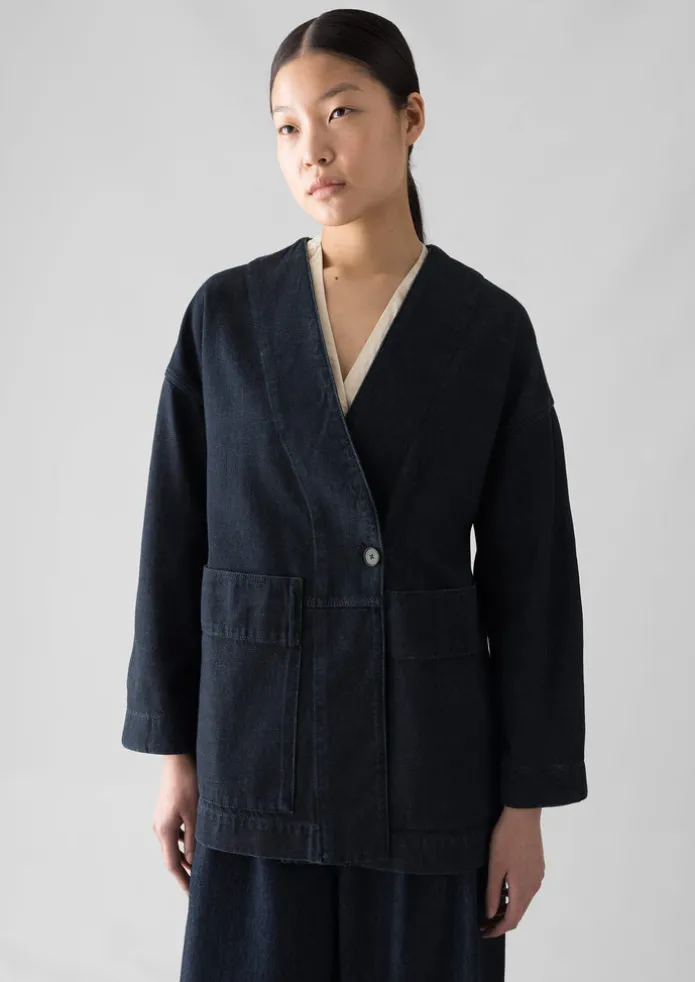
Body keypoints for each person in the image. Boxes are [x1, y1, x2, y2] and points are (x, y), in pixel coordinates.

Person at [121, 9, 587, 981]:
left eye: (339, 113)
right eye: (287, 127)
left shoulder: (486, 329)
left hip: (428, 767)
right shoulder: (226, 318)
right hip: (256, 750)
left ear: (410, 117)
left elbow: (533, 579)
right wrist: (175, 757)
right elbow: (173, 544)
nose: (312, 150)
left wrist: (525, 803)